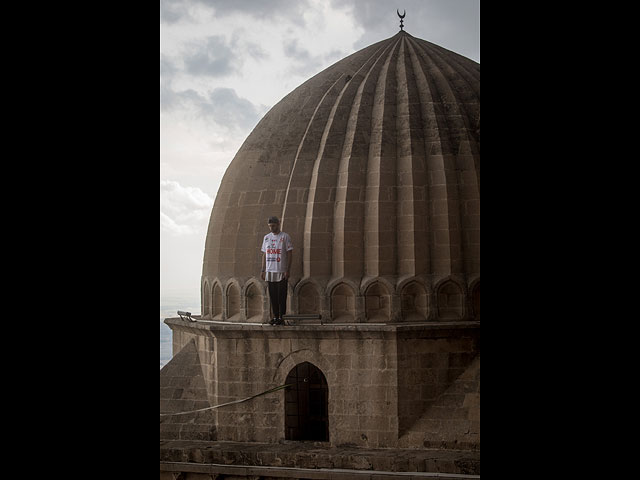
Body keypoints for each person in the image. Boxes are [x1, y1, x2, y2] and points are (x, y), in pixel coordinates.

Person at [261, 216, 293, 325]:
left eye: (273, 226)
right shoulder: (266, 238)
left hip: (281, 270)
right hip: (270, 271)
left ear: (278, 224)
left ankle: (281, 317)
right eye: (270, 226)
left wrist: (287, 269)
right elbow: (264, 254)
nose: (272, 228)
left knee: (281, 295)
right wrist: (263, 269)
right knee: (273, 295)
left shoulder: (285, 237)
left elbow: (289, 253)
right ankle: (275, 316)